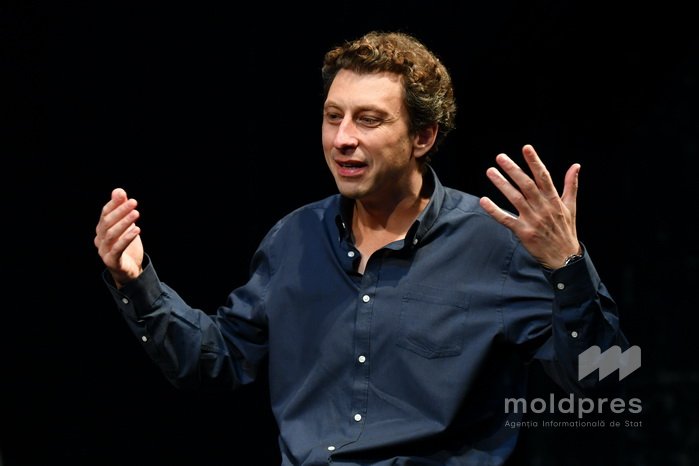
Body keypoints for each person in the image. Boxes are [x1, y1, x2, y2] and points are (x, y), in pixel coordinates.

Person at [94, 31, 629, 465]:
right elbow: (216, 363)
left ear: (422, 137)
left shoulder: (496, 245)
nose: (342, 138)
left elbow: (606, 379)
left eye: (368, 120)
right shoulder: (293, 240)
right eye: (334, 116)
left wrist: (567, 265)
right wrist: (136, 282)